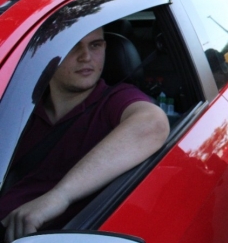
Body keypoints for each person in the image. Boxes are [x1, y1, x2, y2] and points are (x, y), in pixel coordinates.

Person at [0, 28, 169, 242]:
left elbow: (152, 124)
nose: (86, 57)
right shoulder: (20, 107)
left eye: (95, 45)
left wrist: (59, 197)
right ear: (45, 53)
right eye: (72, 45)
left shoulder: (115, 100)